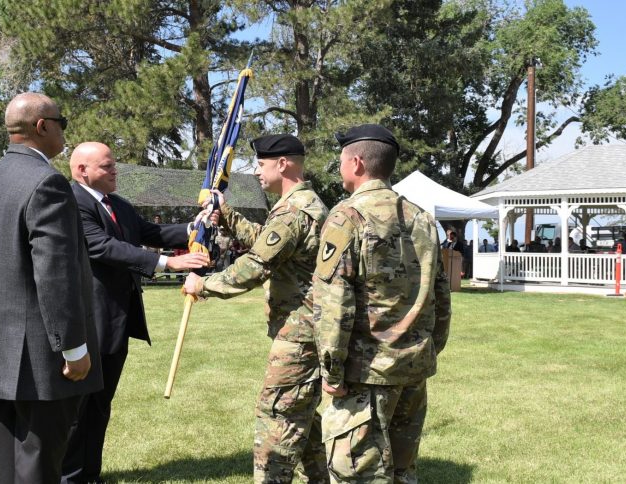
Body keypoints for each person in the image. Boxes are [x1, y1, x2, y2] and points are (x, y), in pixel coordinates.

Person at [0, 92, 103, 484]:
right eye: (63, 121)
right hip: (43, 359)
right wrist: (74, 348)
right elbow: (55, 274)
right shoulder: (47, 183)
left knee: (8, 469)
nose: (65, 131)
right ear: (43, 126)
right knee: (40, 467)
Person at [184, 133, 330, 483]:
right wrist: (228, 215)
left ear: (283, 164)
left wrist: (204, 284)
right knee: (301, 416)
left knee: (277, 417)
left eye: (261, 165)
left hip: (300, 333)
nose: (257, 173)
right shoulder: (297, 205)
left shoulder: (294, 210)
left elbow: (256, 265)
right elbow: (269, 242)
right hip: (306, 327)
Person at [62, 141, 209, 483]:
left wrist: (194, 227)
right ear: (82, 170)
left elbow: (151, 233)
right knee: (78, 408)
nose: (115, 172)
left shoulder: (118, 205)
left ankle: (88, 473)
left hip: (115, 321)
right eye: (107, 166)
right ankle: (67, 476)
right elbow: (100, 246)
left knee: (100, 404)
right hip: (87, 322)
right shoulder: (71, 203)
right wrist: (167, 262)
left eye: (114, 166)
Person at [312, 124, 451, 482]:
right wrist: (429, 348)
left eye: (341, 160)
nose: (339, 167)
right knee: (403, 473)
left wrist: (332, 371)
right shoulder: (423, 219)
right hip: (413, 369)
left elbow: (333, 304)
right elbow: (441, 295)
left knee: (356, 474)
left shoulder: (347, 216)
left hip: (366, 374)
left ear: (356, 163)